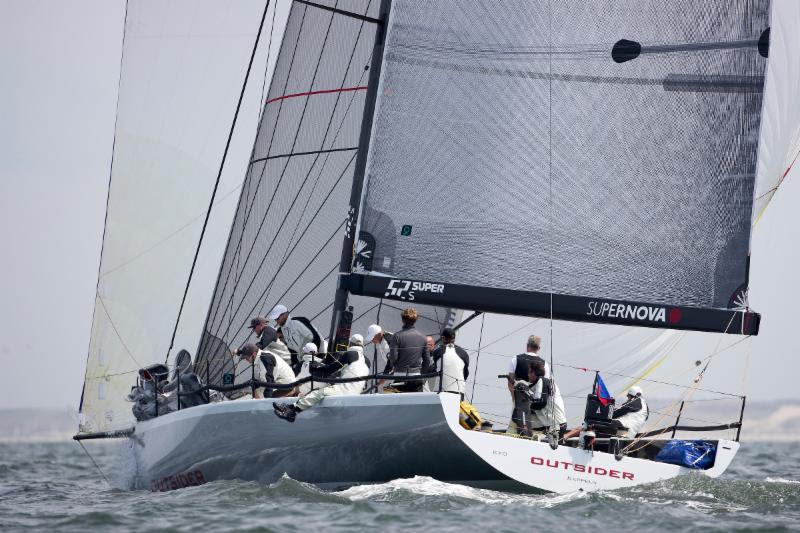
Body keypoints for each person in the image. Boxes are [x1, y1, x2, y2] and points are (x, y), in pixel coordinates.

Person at [273, 334, 369, 422]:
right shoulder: (366, 360)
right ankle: (342, 417)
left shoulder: (350, 354)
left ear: (350, 344)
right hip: (357, 391)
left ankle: (291, 411)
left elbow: (331, 369)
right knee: (326, 391)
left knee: (319, 393)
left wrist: (319, 368)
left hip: (346, 388)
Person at [268, 304, 327, 374]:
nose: (276, 321)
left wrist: (316, 356)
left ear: (285, 314)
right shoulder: (284, 330)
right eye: (275, 319)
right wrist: (294, 365)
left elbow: (315, 337)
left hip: (318, 355)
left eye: (277, 318)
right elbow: (292, 350)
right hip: (305, 360)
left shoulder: (297, 322)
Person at [383, 308, 431, 393]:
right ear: (415, 320)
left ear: (402, 320)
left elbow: (393, 357)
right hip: (416, 378)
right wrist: (421, 375)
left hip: (400, 377)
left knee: (399, 405)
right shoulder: (423, 337)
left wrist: (395, 366)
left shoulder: (396, 336)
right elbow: (427, 360)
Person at [528, 360, 567, 438]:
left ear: (534, 373)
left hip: (555, 426)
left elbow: (541, 403)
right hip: (557, 424)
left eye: (529, 372)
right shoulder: (546, 382)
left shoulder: (542, 381)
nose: (528, 375)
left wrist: (526, 406)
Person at [430, 327, 469, 397]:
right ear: (454, 339)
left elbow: (433, 369)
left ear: (442, 338)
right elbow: (465, 374)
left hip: (442, 392)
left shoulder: (437, 352)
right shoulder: (464, 353)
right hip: (459, 392)